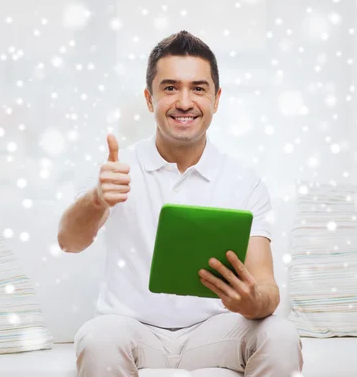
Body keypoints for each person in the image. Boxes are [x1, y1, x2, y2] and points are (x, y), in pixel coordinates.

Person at [58, 30, 303, 376]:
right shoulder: (116, 170)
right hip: (132, 328)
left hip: (216, 332)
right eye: (170, 88)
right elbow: (69, 242)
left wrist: (252, 302)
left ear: (216, 99)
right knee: (97, 338)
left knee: (281, 334)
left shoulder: (243, 181)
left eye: (198, 88)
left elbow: (267, 287)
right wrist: (97, 199)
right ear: (149, 98)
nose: (184, 102)